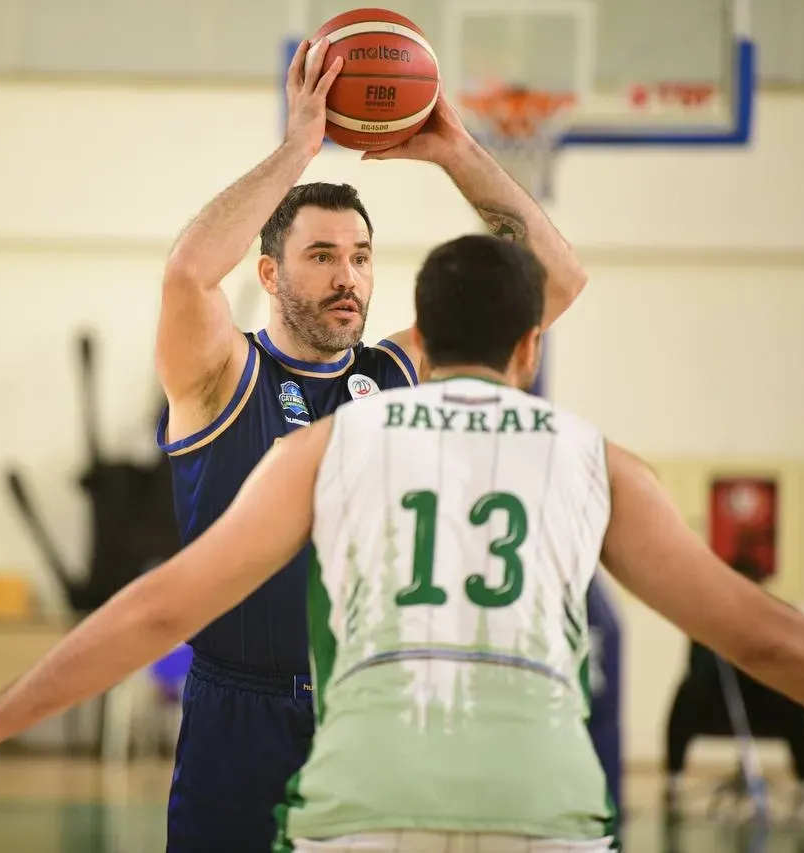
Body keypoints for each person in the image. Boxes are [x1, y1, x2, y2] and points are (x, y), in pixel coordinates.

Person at [0, 234, 804, 852]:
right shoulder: (598, 461)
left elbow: (161, 607)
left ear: (415, 332)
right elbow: (762, 636)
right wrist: (451, 141)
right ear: (529, 348)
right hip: (540, 809)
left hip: (369, 803)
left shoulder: (331, 444)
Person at [147, 36, 586, 851]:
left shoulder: (402, 371)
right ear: (270, 275)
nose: (347, 276)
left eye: (360, 256)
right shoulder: (220, 374)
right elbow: (187, 274)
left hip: (373, 710)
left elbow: (555, 279)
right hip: (239, 715)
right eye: (321, 256)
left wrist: (455, 149)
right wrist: (299, 148)